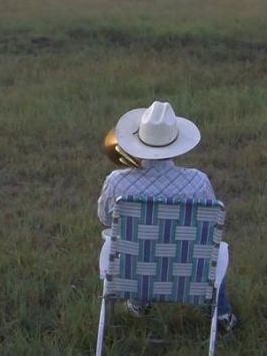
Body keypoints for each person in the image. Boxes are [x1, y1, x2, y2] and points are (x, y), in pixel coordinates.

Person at [97, 100, 237, 332]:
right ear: (176, 142)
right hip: (188, 272)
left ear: (139, 140)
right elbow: (210, 228)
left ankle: (139, 300)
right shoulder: (198, 181)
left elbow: (104, 218)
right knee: (215, 249)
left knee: (131, 245)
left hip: (134, 270)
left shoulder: (116, 182)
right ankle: (221, 314)